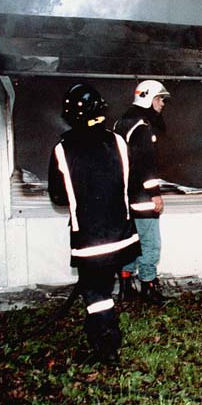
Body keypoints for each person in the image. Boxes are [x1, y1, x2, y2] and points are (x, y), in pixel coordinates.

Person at [48, 83, 140, 365]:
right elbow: (132, 185)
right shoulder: (119, 142)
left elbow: (58, 196)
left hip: (90, 240)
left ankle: (107, 345)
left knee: (96, 292)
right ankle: (96, 329)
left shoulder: (62, 149)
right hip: (122, 236)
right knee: (100, 286)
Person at [113, 80, 170, 304]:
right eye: (160, 98)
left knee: (130, 242)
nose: (163, 103)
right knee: (150, 243)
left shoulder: (121, 122)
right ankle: (148, 287)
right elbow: (146, 164)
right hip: (143, 199)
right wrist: (155, 193)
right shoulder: (142, 127)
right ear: (149, 98)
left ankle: (126, 287)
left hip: (124, 198)